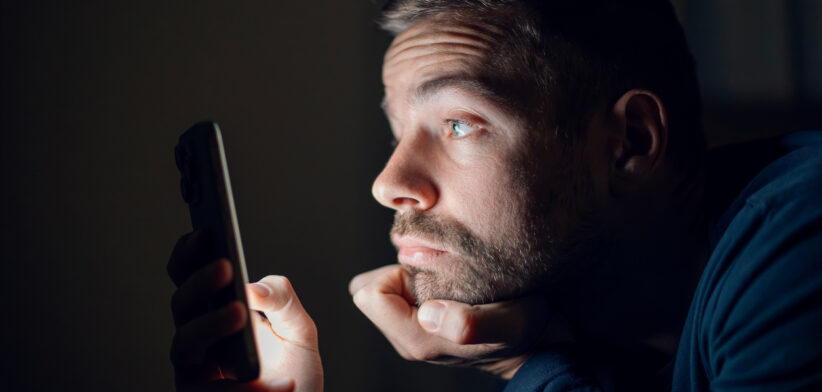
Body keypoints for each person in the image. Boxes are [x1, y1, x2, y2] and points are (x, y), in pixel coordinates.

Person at [166, 0, 822, 391]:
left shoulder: (802, 235)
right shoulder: (603, 314)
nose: (389, 184)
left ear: (631, 141)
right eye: (398, 132)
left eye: (458, 124)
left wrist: (533, 368)